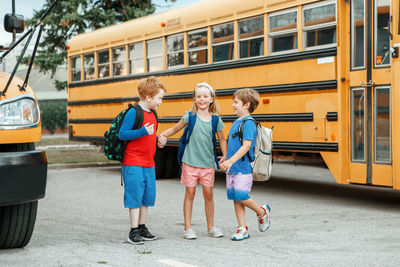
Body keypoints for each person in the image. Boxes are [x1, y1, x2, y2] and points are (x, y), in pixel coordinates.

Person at [158, 82, 227, 240]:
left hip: (208, 163)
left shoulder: (216, 120)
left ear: (211, 99)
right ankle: (188, 228)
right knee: (190, 192)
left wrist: (225, 156)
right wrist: (163, 135)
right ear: (195, 99)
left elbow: (222, 139)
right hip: (189, 162)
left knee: (208, 194)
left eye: (205, 96)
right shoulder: (190, 116)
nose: (202, 99)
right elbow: (175, 129)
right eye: (199, 96)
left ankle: (211, 227)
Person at [118, 76, 166, 245]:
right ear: (149, 96)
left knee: (147, 197)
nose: (161, 102)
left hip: (149, 163)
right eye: (159, 98)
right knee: (135, 196)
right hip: (133, 163)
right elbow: (122, 134)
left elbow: (150, 135)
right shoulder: (134, 112)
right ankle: (133, 231)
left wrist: (158, 139)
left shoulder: (153, 113)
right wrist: (142, 132)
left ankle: (142, 227)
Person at [219, 88, 271, 241]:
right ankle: (242, 228)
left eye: (236, 102)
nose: (233, 105)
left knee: (241, 196)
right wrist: (225, 157)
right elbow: (234, 144)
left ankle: (262, 212)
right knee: (236, 198)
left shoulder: (249, 123)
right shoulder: (237, 122)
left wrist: (230, 161)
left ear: (246, 104)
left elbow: (246, 146)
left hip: (242, 168)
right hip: (233, 167)